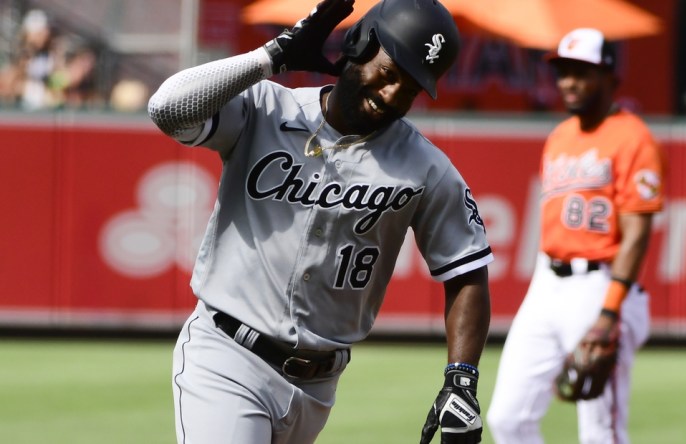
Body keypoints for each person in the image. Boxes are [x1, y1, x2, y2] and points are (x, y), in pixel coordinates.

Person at [147, 1, 492, 443]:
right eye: (388, 73)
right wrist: (272, 56)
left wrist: (461, 378)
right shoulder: (268, 109)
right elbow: (167, 109)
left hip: (319, 385)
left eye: (408, 89)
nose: (391, 94)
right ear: (359, 45)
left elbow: (467, 272)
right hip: (228, 356)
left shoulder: (425, 167)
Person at [486, 28, 664, 444]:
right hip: (547, 283)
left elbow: (637, 231)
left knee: (601, 431)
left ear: (609, 76)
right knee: (508, 418)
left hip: (600, 285)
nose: (568, 81)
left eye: (581, 72)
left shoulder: (634, 138)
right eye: (563, 71)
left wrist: (609, 313)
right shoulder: (560, 136)